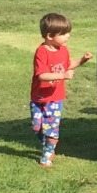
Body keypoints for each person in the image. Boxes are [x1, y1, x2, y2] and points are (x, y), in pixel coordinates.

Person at [30, 13, 92, 167]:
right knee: (37, 126)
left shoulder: (63, 50)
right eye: (63, 34)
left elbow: (68, 64)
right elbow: (41, 75)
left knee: (51, 128)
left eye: (68, 32)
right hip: (38, 97)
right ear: (50, 35)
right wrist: (62, 75)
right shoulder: (42, 52)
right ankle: (47, 146)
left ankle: (47, 154)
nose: (68, 36)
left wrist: (82, 60)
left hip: (55, 98)